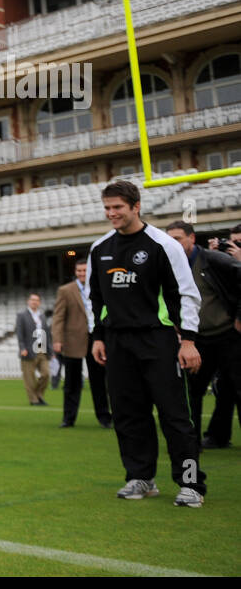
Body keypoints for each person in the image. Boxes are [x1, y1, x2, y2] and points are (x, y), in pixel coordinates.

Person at [88, 180, 205, 507]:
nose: (111, 213)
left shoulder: (162, 244)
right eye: (107, 208)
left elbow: (185, 294)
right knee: (127, 414)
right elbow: (94, 299)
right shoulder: (100, 249)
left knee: (175, 416)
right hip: (117, 343)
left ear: (136, 206)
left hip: (159, 340)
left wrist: (189, 340)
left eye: (118, 208)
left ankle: (191, 483)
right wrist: (97, 336)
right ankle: (140, 477)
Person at [164, 220, 241, 446]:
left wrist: (239, 317)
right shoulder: (169, 265)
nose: (173, 244)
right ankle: (191, 443)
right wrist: (177, 323)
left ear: (192, 238)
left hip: (229, 335)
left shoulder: (215, 259)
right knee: (192, 393)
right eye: (170, 240)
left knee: (238, 389)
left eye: (177, 239)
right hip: (197, 339)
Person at [51, 259, 112, 428]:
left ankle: (104, 417)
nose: (82, 274)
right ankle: (68, 418)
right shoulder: (65, 290)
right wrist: (57, 339)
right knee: (71, 383)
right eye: (79, 271)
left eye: (85, 270)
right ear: (75, 272)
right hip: (73, 341)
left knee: (99, 381)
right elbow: (58, 317)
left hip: (97, 339)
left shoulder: (100, 285)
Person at [202, 223, 241, 448]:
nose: (234, 246)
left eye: (239, 242)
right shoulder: (222, 262)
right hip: (228, 332)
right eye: (232, 241)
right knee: (224, 386)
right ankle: (218, 435)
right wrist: (216, 257)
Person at [16, 293, 51, 406]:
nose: (34, 302)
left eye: (37, 300)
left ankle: (39, 394)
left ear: (39, 302)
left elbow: (47, 334)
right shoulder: (22, 315)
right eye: (32, 300)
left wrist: (50, 350)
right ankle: (33, 399)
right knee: (29, 378)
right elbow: (20, 333)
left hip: (42, 349)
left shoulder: (42, 316)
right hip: (28, 350)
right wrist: (22, 347)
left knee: (46, 374)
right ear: (28, 301)